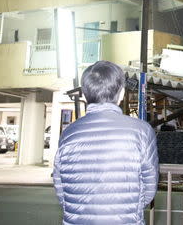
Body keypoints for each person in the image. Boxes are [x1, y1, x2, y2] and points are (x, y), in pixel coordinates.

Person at [53, 61, 158, 224]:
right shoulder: (142, 131)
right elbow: (150, 184)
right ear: (122, 93)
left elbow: (60, 185)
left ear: (85, 94)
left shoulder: (68, 133)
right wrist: (128, 206)